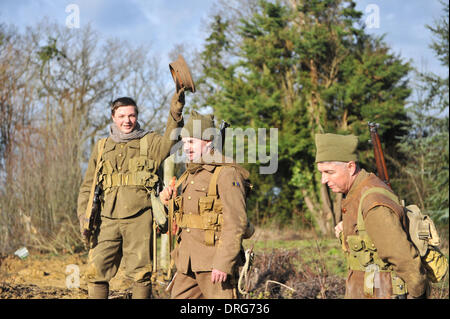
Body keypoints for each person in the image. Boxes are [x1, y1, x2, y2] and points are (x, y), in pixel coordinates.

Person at [77, 89, 185, 299]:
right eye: (122, 116)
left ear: (136, 116)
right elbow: (88, 186)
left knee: (141, 274)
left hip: (139, 217)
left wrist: (176, 109)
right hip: (106, 218)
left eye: (131, 115)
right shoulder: (102, 146)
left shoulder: (149, 141)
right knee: (96, 272)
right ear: (113, 117)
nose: (127, 121)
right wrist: (84, 215)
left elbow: (171, 140)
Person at [314, 133, 428, 299]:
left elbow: (404, 260)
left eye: (329, 172)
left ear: (351, 167)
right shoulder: (357, 193)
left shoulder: (373, 202)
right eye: (321, 173)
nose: (324, 179)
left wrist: (417, 294)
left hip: (382, 292)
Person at [159, 110, 253, 299]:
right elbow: (182, 219)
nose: (187, 148)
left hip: (214, 263)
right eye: (184, 143)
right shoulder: (188, 175)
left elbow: (235, 222)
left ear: (208, 142)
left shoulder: (226, 173)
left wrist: (224, 262)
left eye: (192, 142)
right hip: (187, 262)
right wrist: (166, 201)